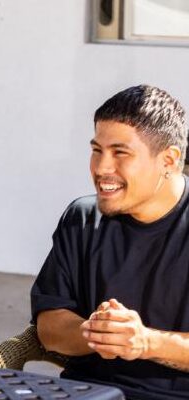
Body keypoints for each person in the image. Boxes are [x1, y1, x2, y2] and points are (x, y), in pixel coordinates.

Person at [31, 85, 189, 400]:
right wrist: (96, 333)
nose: (102, 168)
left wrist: (145, 342)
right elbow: (48, 325)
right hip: (84, 392)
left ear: (168, 160)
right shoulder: (83, 218)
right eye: (96, 150)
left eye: (120, 153)